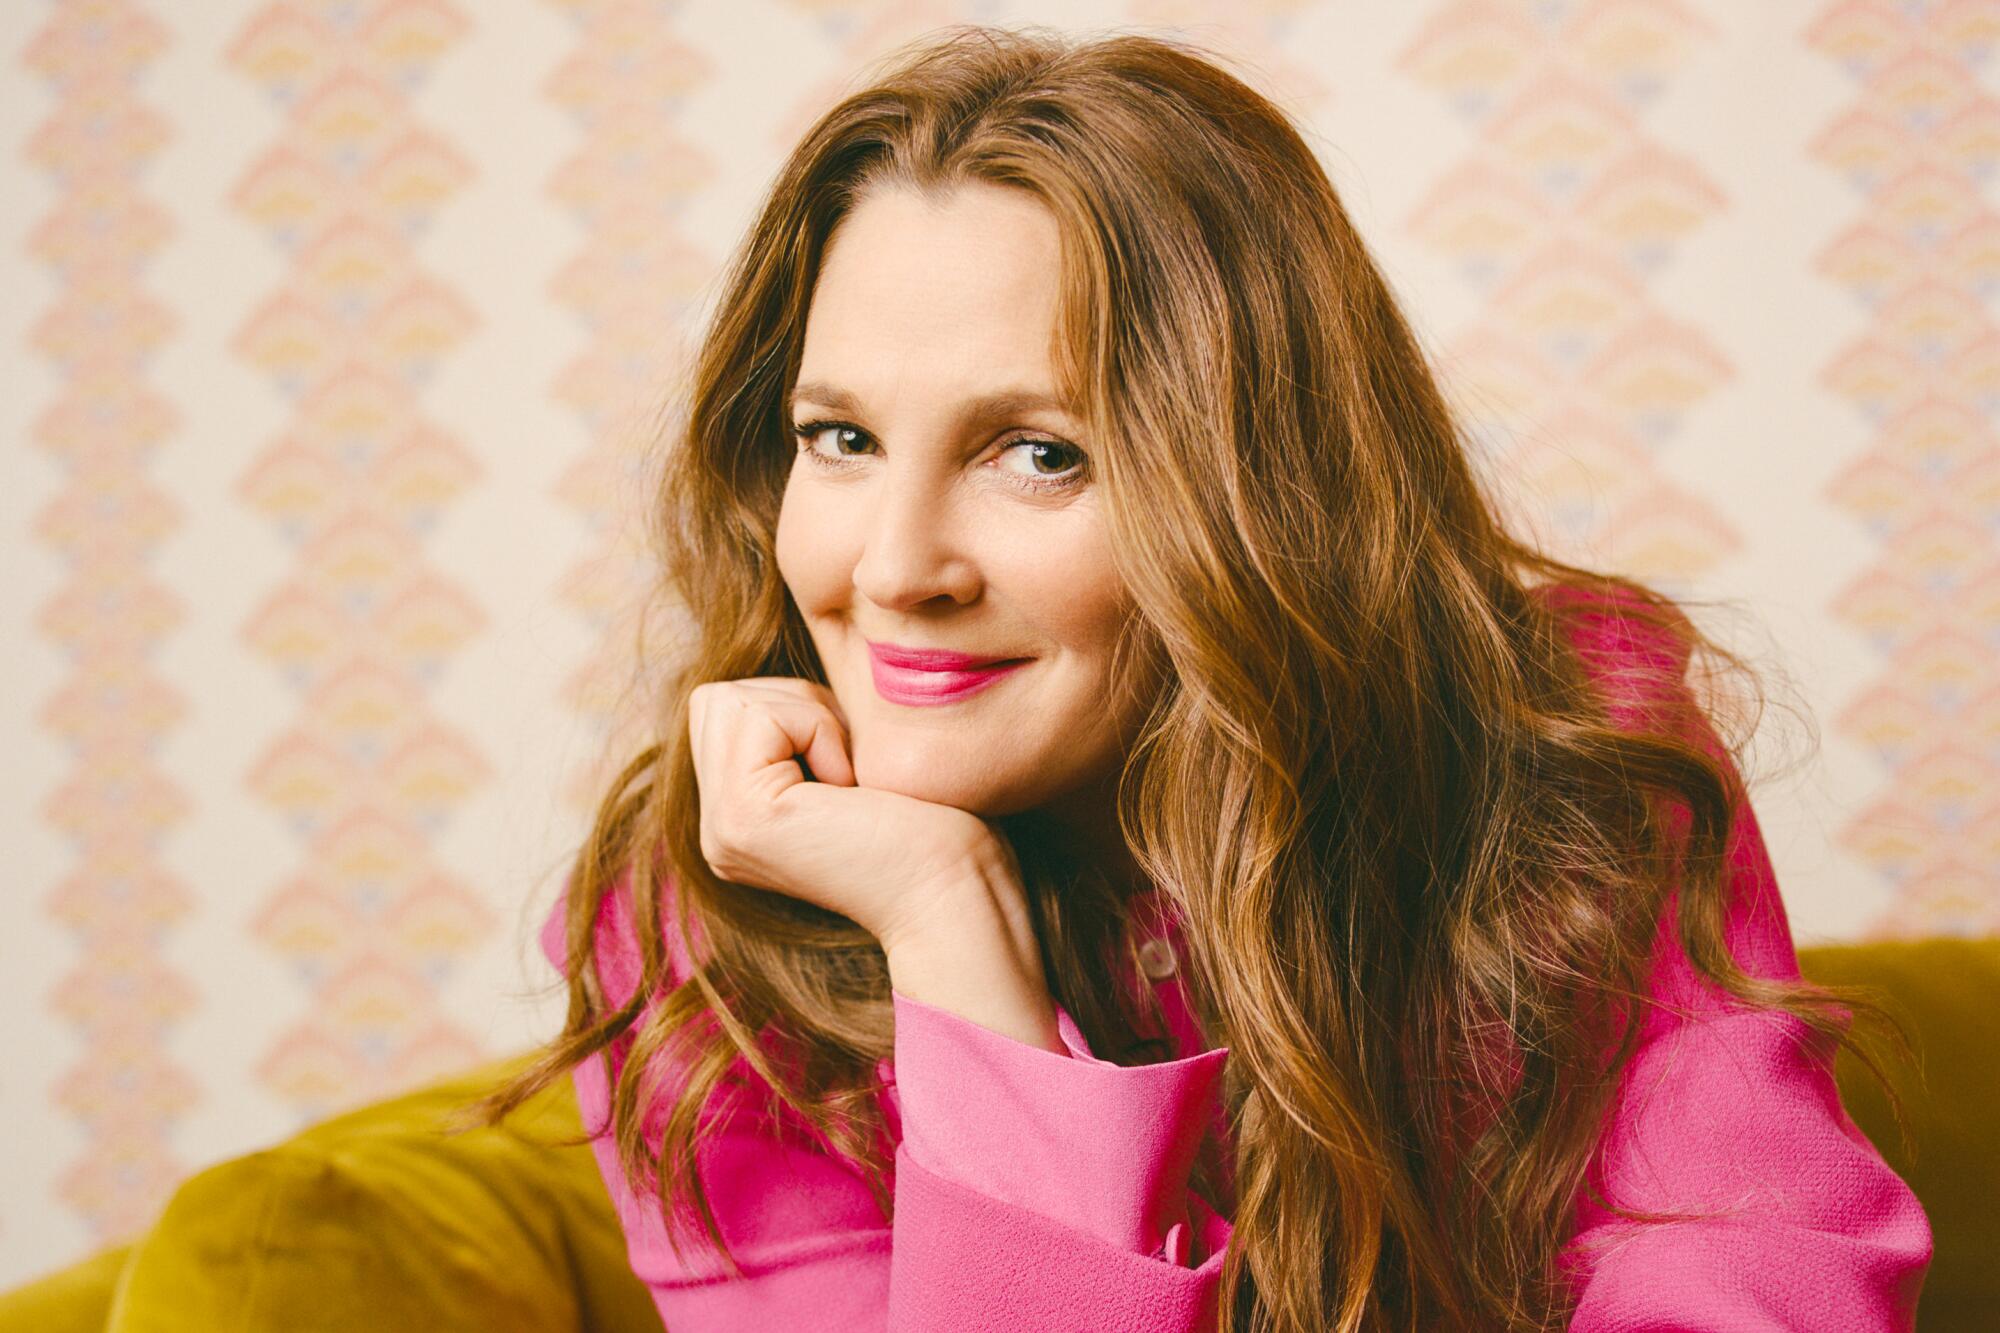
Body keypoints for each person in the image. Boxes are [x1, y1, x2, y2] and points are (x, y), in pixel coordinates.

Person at [463, 24, 1933, 1331]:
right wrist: (946, 926)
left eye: (1039, 452)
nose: (895, 566)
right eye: (839, 437)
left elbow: (1759, 1273)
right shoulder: (691, 928)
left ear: (1255, 488)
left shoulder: (1562, 743)